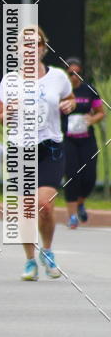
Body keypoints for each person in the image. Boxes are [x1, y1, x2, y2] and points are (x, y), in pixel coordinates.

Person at [0, 27, 75, 280]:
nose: (32, 48)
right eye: (26, 44)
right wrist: (8, 112)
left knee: (45, 205)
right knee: (27, 209)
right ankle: (30, 260)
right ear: (18, 50)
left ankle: (48, 251)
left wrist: (69, 104)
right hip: (21, 148)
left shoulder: (58, 77)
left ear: (44, 48)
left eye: (37, 43)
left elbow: (70, 99)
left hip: (50, 146)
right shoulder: (10, 81)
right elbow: (0, 117)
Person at [62, 57, 105, 228]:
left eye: (77, 73)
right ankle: (72, 216)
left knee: (89, 177)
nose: (74, 77)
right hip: (68, 140)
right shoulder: (61, 92)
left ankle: (80, 203)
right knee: (72, 176)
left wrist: (92, 119)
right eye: (71, 73)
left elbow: (101, 112)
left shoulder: (89, 90)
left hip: (87, 139)